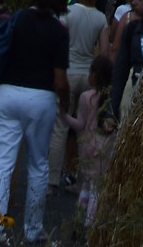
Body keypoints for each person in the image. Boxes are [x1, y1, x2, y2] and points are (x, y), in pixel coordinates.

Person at [0, 0, 71, 242]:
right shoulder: (59, 32)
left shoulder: (18, 19)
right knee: (38, 164)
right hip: (40, 98)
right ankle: (32, 229)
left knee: (3, 163)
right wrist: (65, 103)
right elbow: (60, 80)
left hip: (7, 93)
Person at [47, 0, 108, 189]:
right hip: (88, 75)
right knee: (86, 130)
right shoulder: (101, 18)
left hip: (67, 72)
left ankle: (52, 179)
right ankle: (83, 181)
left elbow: (56, 44)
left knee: (60, 128)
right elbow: (104, 53)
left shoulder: (67, 14)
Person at [58, 52, 112, 234]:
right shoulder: (112, 99)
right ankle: (91, 224)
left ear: (94, 75)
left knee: (86, 185)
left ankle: (79, 220)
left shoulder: (86, 98)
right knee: (97, 189)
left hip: (88, 147)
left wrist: (64, 115)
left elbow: (80, 125)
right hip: (104, 148)